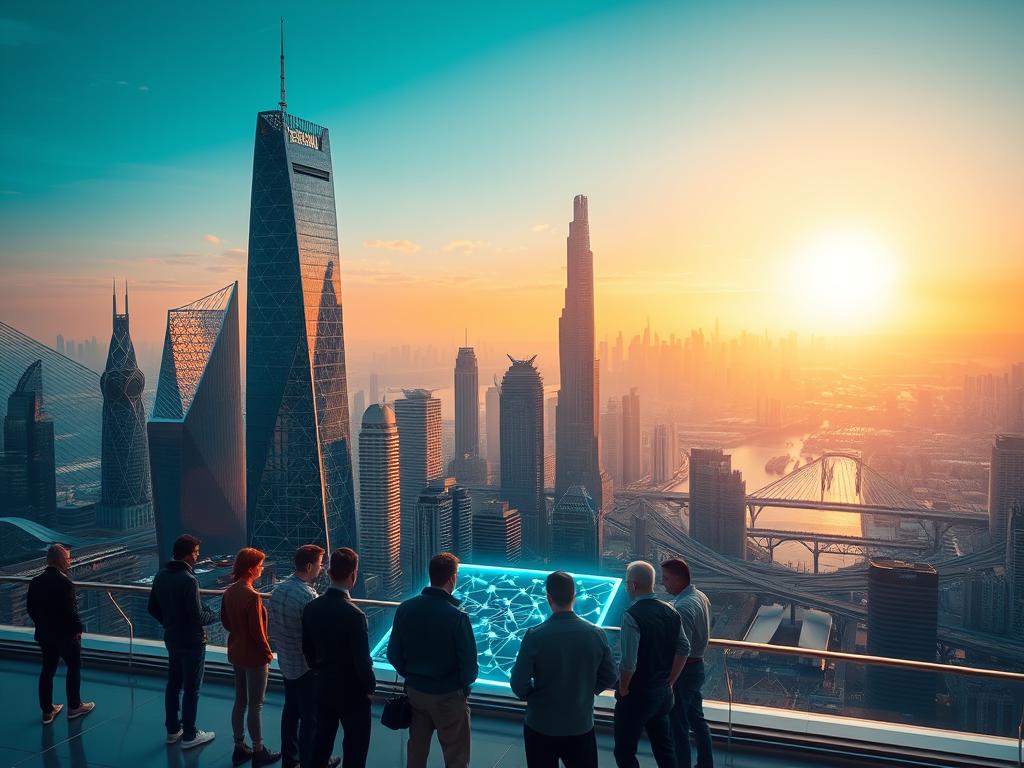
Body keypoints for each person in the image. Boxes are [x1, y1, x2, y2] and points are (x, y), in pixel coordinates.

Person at [510, 571, 617, 768]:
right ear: (574, 597)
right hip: (580, 724)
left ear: (548, 598)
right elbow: (610, 676)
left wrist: (533, 696)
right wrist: (587, 691)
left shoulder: (535, 636)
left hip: (541, 725)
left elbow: (518, 684)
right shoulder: (596, 634)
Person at [387, 553, 477, 768]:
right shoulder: (457, 616)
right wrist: (462, 687)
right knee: (456, 756)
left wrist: (411, 675)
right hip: (448, 695)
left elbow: (393, 654)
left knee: (416, 752)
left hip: (416, 693)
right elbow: (469, 665)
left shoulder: (405, 609)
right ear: (452, 578)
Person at [302, 548, 375, 768]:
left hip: (323, 685)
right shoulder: (354, 615)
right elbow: (362, 661)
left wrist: (319, 670)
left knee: (321, 741)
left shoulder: (312, 607)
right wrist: (369, 687)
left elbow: (307, 649)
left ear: (329, 572)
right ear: (353, 575)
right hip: (353, 692)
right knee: (355, 747)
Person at [613, 560, 688, 768]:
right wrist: (670, 681)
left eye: (628, 583)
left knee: (624, 752)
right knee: (664, 749)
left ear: (633, 586)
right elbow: (684, 648)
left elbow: (629, 662)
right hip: (663, 694)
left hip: (638, 696)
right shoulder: (671, 611)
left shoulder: (632, 616)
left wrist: (623, 688)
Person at [270, 544, 339, 768]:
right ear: (309, 566)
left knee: (290, 712)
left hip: (286, 662)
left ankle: (290, 760)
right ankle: (312, 762)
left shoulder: (278, 589)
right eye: (320, 564)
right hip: (306, 667)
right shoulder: (307, 596)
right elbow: (317, 634)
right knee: (311, 718)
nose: (321, 568)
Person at [148, 534, 217, 749]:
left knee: (174, 683)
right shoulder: (188, 580)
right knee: (192, 688)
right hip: (193, 641)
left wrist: (169, 623)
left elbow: (152, 608)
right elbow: (197, 616)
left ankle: (172, 729)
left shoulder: (160, 575)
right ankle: (190, 734)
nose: (198, 557)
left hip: (173, 638)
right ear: (187, 555)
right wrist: (215, 615)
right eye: (196, 553)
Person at [222, 547, 280, 766]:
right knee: (256, 704)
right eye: (260, 565)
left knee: (240, 701)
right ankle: (258, 749)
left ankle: (239, 746)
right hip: (254, 656)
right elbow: (258, 633)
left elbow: (226, 622)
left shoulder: (229, 591)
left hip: (236, 651)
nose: (262, 568)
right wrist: (267, 654)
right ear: (251, 569)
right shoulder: (252, 596)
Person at [26, 543, 95, 725]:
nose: (70, 562)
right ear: (60, 561)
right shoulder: (65, 583)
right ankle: (74, 707)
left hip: (45, 634)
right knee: (73, 666)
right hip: (65, 635)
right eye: (67, 558)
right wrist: (78, 630)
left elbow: (31, 609)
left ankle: (47, 712)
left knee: (47, 670)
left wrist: (42, 624)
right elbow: (70, 612)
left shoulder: (36, 582)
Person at [662, 558, 714, 768]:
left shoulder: (682, 607)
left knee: (678, 726)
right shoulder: (700, 596)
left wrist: (671, 679)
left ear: (678, 579)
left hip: (684, 671)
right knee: (697, 720)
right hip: (697, 667)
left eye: (666, 579)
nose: (663, 583)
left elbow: (682, 648)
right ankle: (705, 764)